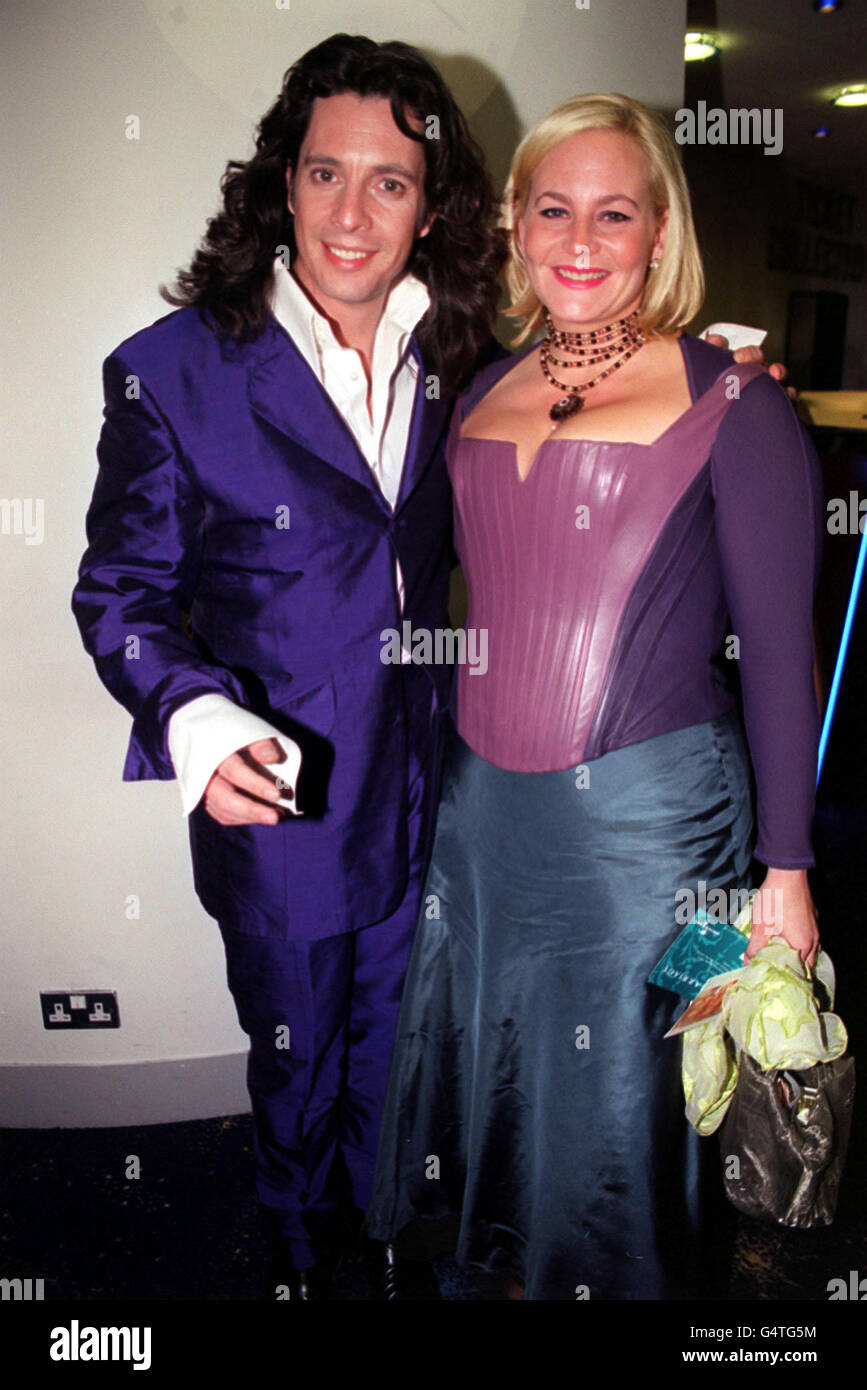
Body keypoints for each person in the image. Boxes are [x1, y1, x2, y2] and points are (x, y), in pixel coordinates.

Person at [365, 93, 822, 1301]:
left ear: (661, 233)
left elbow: (783, 652)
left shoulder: (739, 401)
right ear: (515, 225)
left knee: (636, 1113)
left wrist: (784, 872)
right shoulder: (473, 392)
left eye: (614, 212)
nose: (580, 238)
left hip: (664, 837)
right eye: (553, 208)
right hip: (482, 830)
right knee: (500, 1094)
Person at [71, 32, 505, 1301]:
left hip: (430, 793)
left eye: (390, 181)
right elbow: (121, 597)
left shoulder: (463, 356)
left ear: (432, 208)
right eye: (325, 173)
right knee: (298, 1068)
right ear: (282, 179)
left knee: (396, 1057)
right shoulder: (173, 372)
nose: (352, 214)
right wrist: (198, 726)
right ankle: (297, 1262)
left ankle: (376, 1244)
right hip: (282, 803)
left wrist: (718, 385)